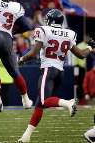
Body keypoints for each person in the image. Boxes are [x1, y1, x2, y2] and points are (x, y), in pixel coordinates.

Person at [17, 9, 95, 143]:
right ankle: (26, 136)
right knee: (40, 105)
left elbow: (33, 53)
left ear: (50, 20)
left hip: (48, 70)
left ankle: (68, 102)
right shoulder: (69, 33)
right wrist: (89, 47)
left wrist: (21, 59)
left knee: (44, 100)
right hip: (60, 72)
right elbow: (81, 55)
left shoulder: (44, 30)